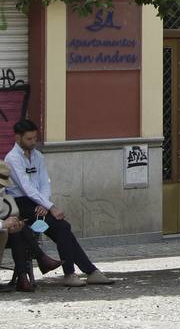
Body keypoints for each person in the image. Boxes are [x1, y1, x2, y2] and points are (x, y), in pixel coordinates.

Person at [4, 119, 110, 286]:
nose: (33, 142)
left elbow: (45, 182)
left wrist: (45, 204)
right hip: (22, 205)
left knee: (62, 229)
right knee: (62, 227)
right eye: (28, 139)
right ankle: (80, 272)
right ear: (18, 138)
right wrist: (50, 206)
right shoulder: (12, 158)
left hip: (38, 204)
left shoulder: (38, 156)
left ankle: (85, 271)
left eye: (34, 138)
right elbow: (25, 187)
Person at [0, 164, 58, 293]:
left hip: (4, 233)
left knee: (19, 231)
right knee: (17, 231)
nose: (2, 187)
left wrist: (11, 223)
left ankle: (23, 279)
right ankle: (40, 259)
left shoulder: (2, 193)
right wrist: (4, 224)